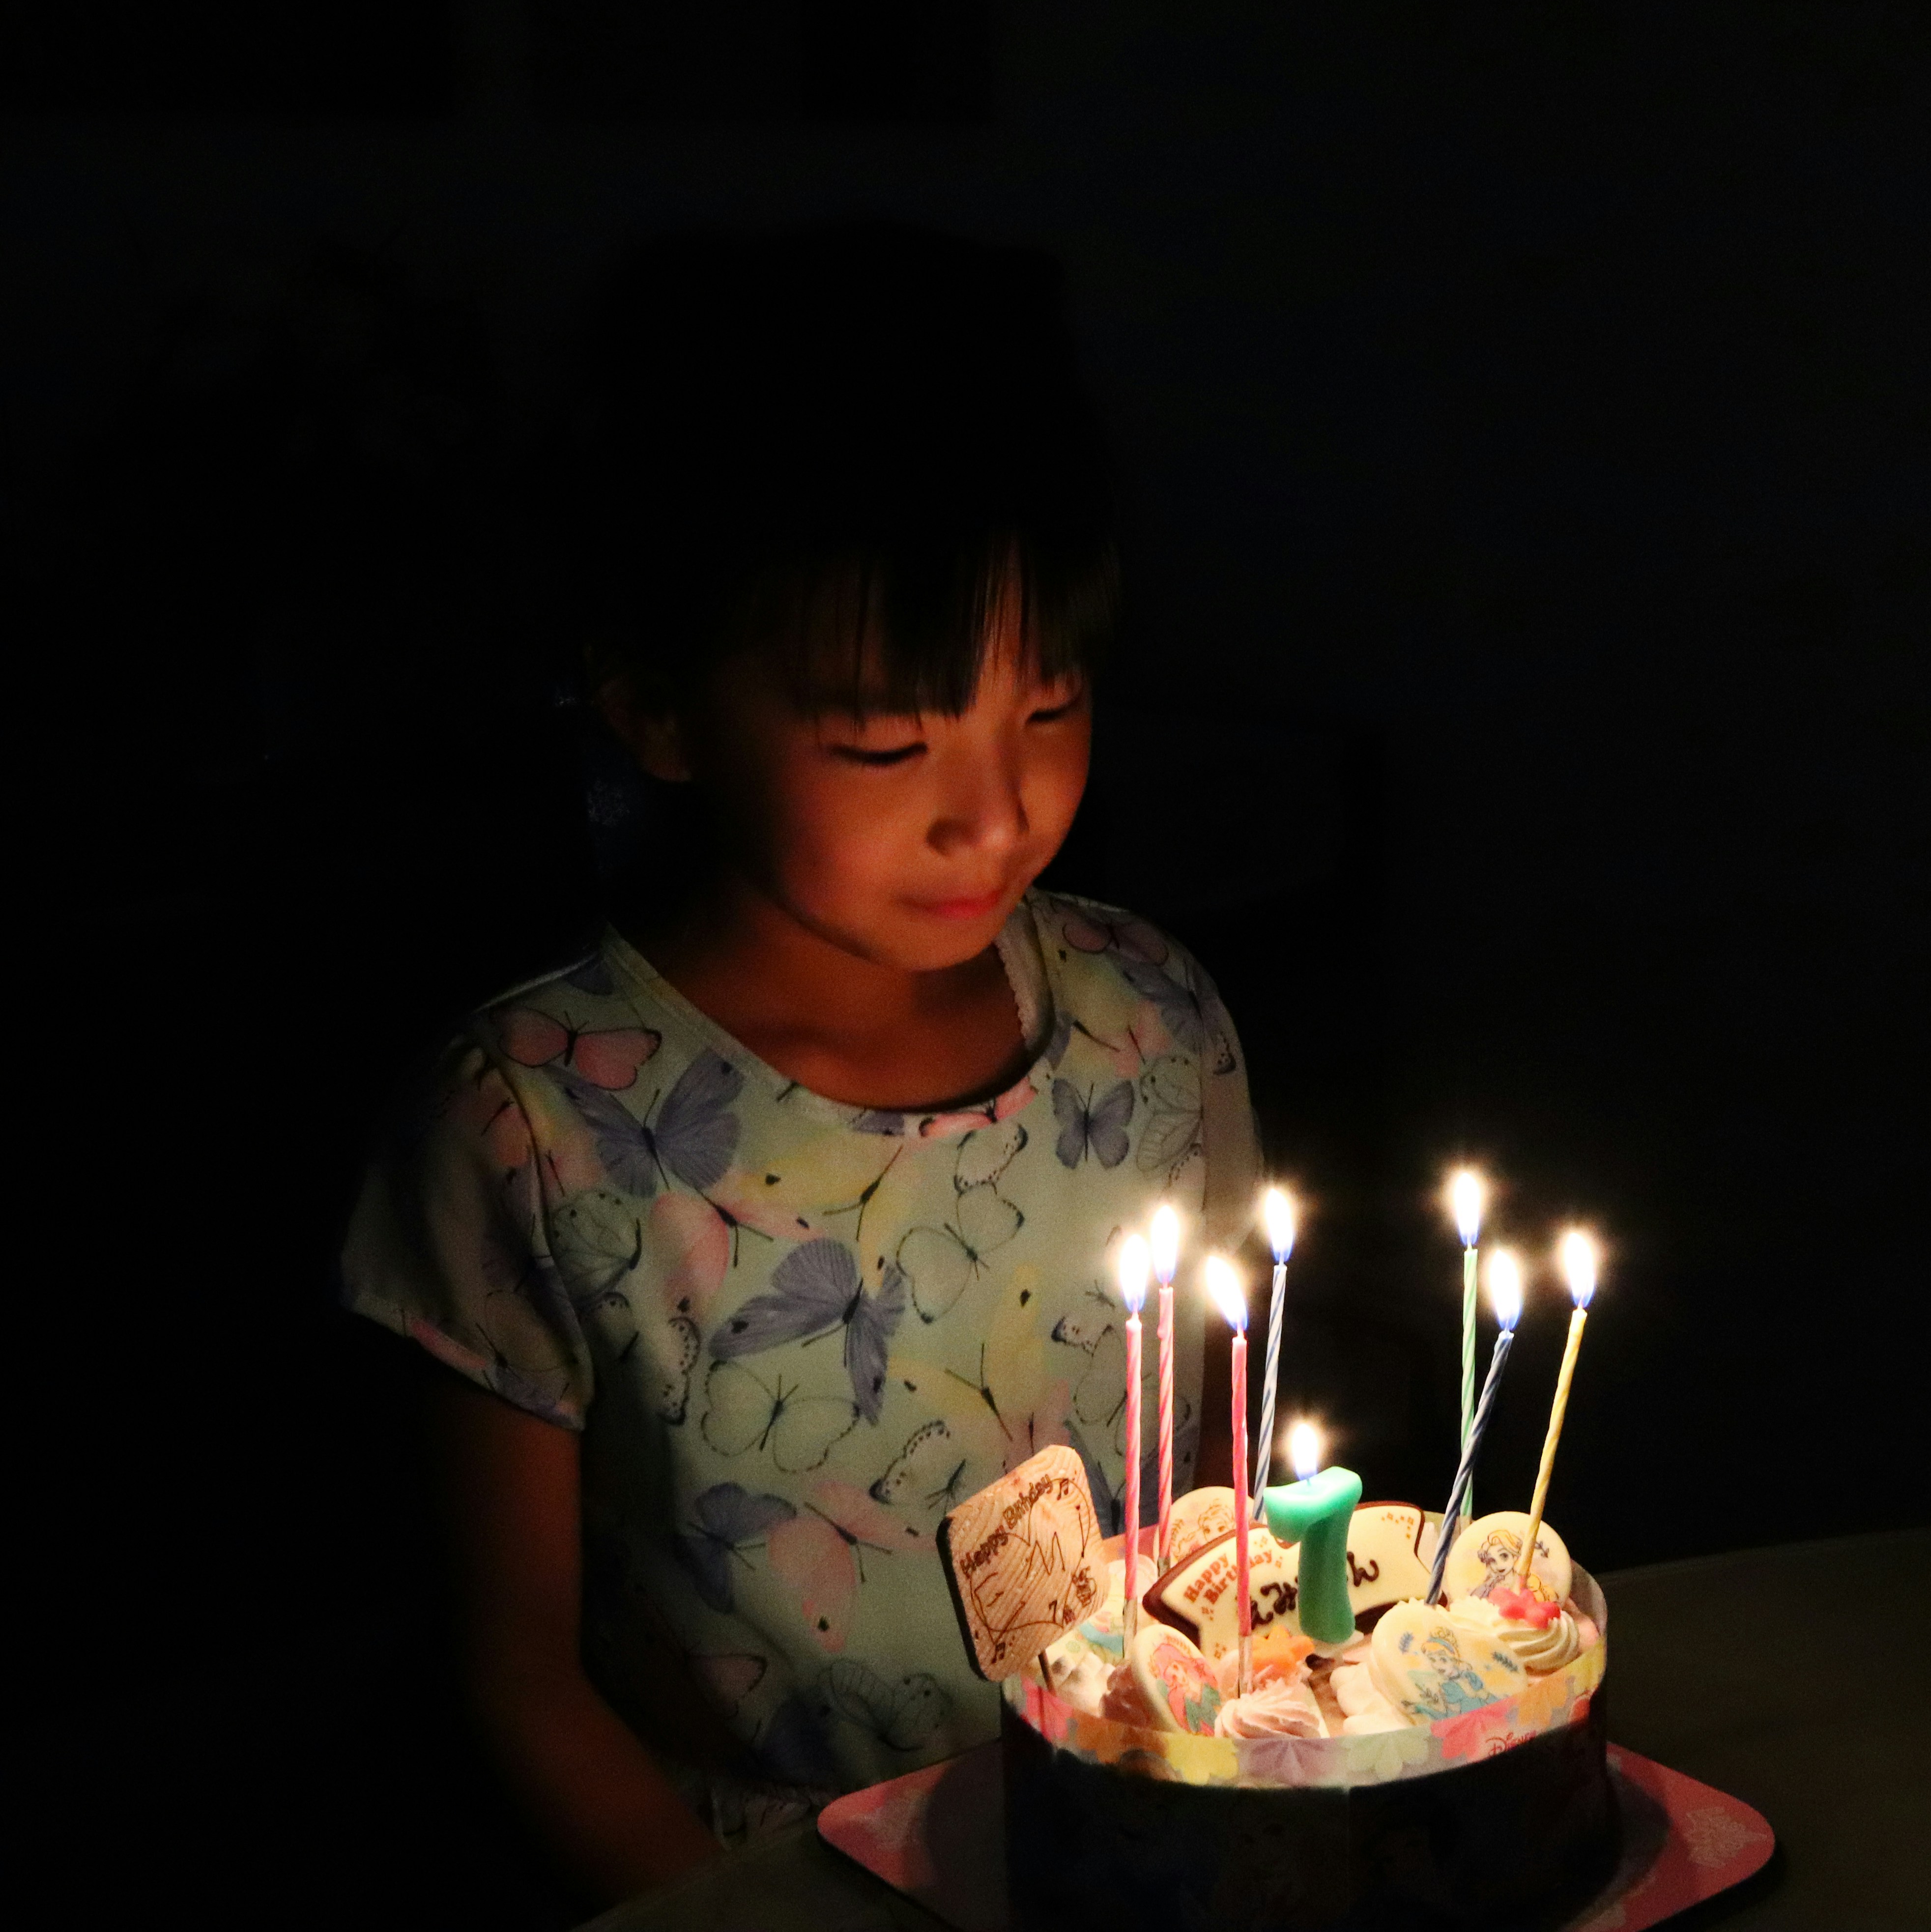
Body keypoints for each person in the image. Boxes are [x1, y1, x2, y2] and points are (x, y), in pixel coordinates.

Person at [342, 225, 1259, 1900]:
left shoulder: (1150, 1026)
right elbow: (518, 1675)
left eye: (1050, 707)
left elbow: (1217, 1497)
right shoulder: (539, 1129)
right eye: (887, 743)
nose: (996, 813)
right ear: (660, 713)